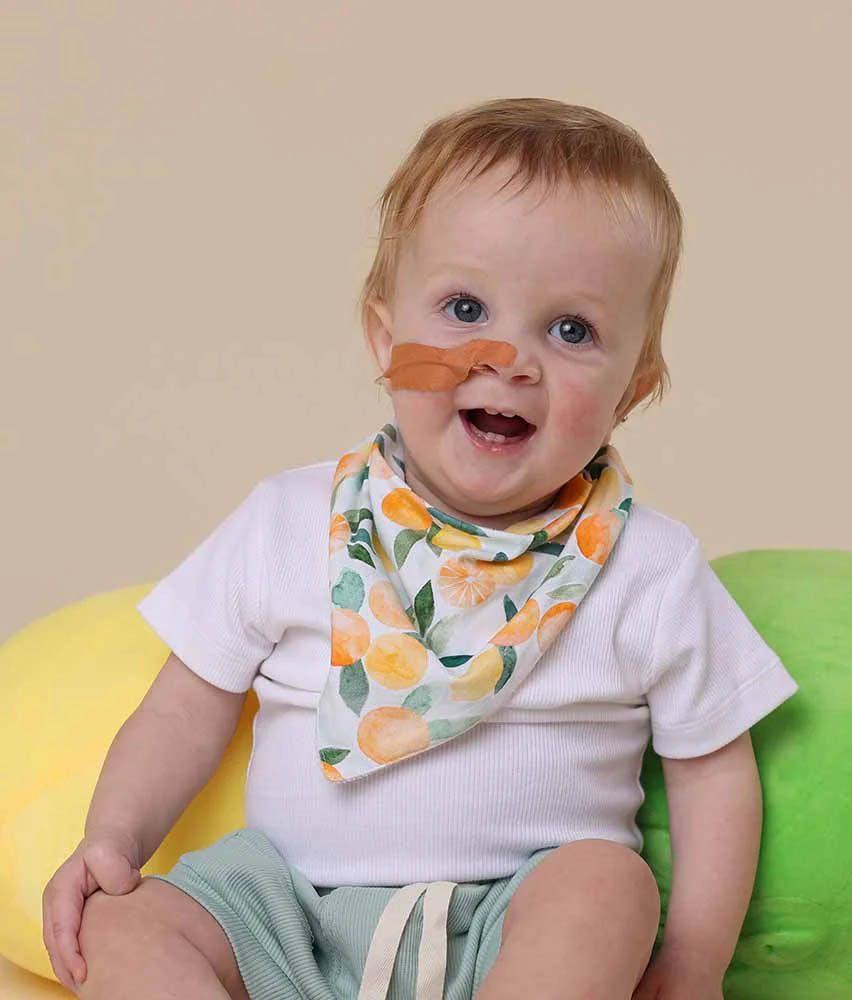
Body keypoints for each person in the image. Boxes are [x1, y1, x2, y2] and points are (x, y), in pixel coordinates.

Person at [41, 97, 798, 1000]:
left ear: (634, 387)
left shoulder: (648, 567)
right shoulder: (290, 519)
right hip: (287, 914)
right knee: (123, 923)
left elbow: (714, 769)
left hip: (511, 926)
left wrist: (695, 964)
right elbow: (183, 706)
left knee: (606, 885)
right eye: (465, 306)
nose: (508, 357)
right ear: (384, 337)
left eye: (572, 330)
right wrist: (112, 840)